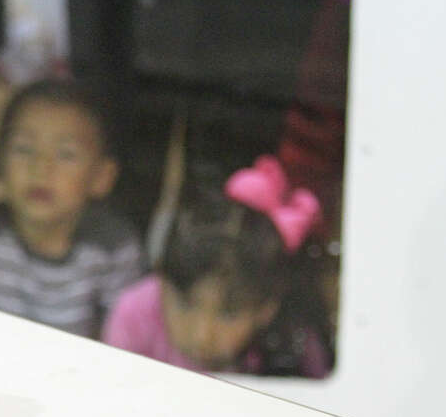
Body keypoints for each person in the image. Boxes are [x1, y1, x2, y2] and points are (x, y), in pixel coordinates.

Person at [102, 155, 330, 378]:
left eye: (229, 314)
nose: (202, 335)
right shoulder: (134, 315)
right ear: (161, 282)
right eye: (185, 305)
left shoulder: (292, 345)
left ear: (266, 310)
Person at [0, 79, 142, 338]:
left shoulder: (114, 248)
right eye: (24, 149)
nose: (41, 169)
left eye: (66, 154)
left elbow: (122, 345)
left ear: (101, 176)